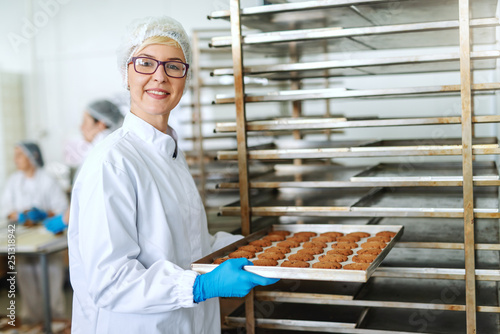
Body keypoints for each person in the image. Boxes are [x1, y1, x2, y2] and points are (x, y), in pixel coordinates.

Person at [68, 15, 278, 334]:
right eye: (145, 63)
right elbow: (110, 282)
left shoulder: (169, 155)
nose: (159, 77)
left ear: (185, 77)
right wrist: (200, 287)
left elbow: (190, 245)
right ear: (126, 73)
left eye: (173, 66)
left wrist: (256, 250)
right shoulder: (112, 162)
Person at [0, 142, 69, 324]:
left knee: (51, 279)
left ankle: (55, 320)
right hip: (23, 238)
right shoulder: (14, 181)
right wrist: (20, 215)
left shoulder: (47, 180)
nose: (16, 160)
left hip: (46, 236)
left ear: (32, 157)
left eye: (19, 155)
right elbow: (5, 208)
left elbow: (62, 209)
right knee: (25, 277)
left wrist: (44, 214)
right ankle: (33, 321)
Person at [43, 99, 124, 234]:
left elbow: (89, 195)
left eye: (85, 122)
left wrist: (66, 218)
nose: (81, 127)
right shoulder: (105, 147)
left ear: (101, 124)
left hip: (103, 229)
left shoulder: (101, 152)